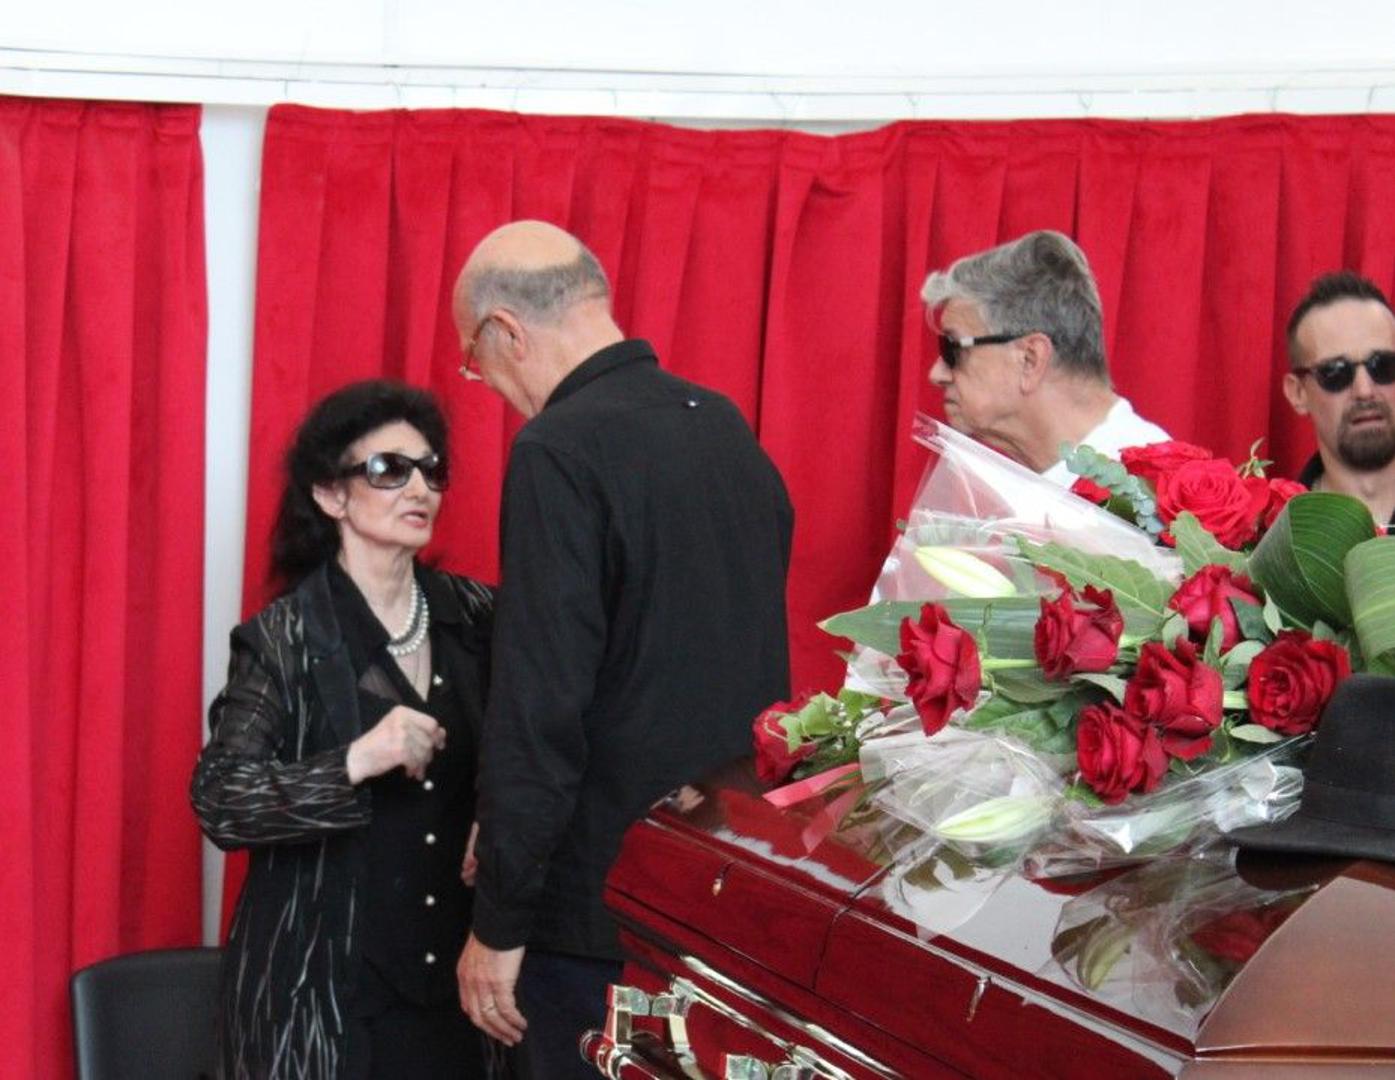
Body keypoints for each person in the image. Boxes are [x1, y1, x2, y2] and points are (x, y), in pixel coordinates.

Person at [450, 220, 794, 1078]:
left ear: (504, 332)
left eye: (473, 362)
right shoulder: (724, 427)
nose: (487, 385)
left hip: (598, 906)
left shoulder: (558, 449)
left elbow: (542, 705)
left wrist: (498, 922)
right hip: (721, 890)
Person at [191, 381, 494, 1079]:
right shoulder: (286, 639)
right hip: (323, 995)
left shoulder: (476, 617)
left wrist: (500, 810)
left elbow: (540, 737)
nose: (418, 487)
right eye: (389, 469)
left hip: (455, 989)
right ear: (331, 495)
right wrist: (355, 760)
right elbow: (222, 799)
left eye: (431, 469)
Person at [922, 229, 1168, 485]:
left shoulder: (1153, 489)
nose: (936, 374)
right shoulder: (1009, 487)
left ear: (1030, 359)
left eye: (952, 348)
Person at [1283, 271, 1395, 526]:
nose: (1364, 390)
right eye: (1335, 372)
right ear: (1298, 393)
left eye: (1383, 366)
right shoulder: (1270, 537)